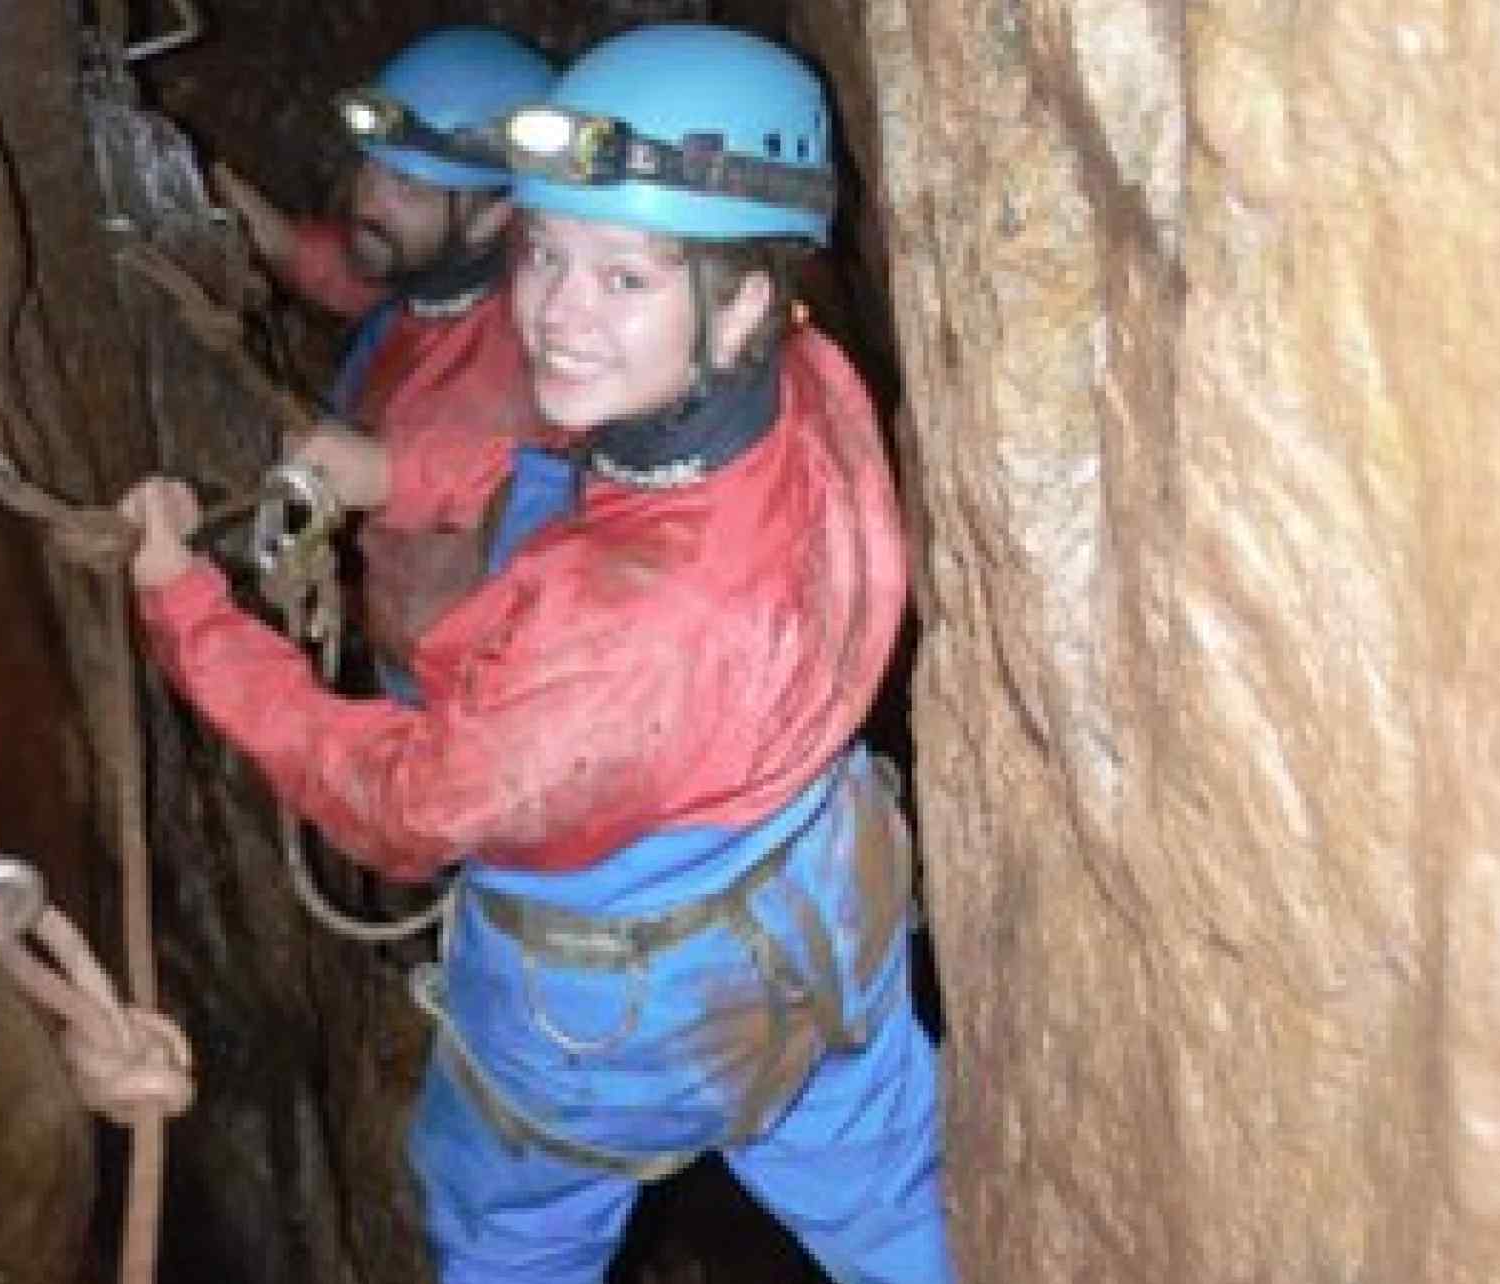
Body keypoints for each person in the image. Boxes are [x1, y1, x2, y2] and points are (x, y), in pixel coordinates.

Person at [125, 23, 952, 1284]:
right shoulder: (805, 378)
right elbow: (598, 474)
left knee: (511, 1238)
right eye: (547, 254)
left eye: (624, 279)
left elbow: (403, 803)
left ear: (735, 301)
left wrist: (191, 616)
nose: (555, 315)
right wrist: (402, 471)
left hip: (618, 1019)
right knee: (896, 1212)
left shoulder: (616, 636)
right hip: (824, 896)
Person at [213, 25, 555, 679]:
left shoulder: (507, 383)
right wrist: (268, 234)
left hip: (452, 690)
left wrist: (382, 474)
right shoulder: (449, 283)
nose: (369, 200)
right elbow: (364, 279)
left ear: (493, 216)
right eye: (371, 169)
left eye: (410, 190)